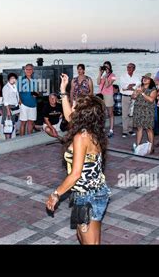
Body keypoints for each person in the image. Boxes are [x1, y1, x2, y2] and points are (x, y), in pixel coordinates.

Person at [46, 73, 110, 245]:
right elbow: (69, 117)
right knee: (82, 238)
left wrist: (56, 194)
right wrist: (63, 91)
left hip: (90, 196)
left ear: (82, 114)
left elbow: (75, 174)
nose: (72, 106)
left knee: (89, 242)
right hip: (89, 193)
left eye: (75, 105)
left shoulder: (81, 137)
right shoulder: (90, 129)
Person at [132, 73, 157, 153]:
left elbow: (151, 100)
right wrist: (136, 92)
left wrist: (142, 93)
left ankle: (151, 147)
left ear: (151, 81)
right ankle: (138, 146)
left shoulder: (153, 89)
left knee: (149, 129)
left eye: (147, 78)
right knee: (139, 128)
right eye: (144, 78)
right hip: (138, 110)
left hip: (148, 111)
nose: (144, 79)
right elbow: (133, 97)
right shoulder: (139, 87)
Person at [119, 63, 139, 137]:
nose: (129, 68)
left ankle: (130, 130)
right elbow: (123, 86)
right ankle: (125, 131)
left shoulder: (136, 77)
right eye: (128, 67)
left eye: (130, 67)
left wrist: (129, 86)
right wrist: (130, 86)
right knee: (125, 114)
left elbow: (138, 86)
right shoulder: (123, 76)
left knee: (132, 114)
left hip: (133, 97)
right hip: (125, 96)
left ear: (134, 69)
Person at [18, 63, 39, 136]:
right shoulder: (21, 80)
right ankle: (21, 140)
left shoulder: (35, 80)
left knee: (31, 122)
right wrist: (20, 102)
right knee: (23, 122)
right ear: (24, 70)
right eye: (27, 69)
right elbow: (17, 92)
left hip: (33, 104)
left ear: (33, 70)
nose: (28, 71)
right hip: (24, 104)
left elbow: (37, 92)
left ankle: (29, 139)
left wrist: (36, 94)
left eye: (30, 69)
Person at [97, 61, 116, 137]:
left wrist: (106, 77)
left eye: (107, 67)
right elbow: (98, 82)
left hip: (108, 95)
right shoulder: (102, 74)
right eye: (104, 66)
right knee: (102, 113)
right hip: (101, 94)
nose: (106, 68)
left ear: (110, 67)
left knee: (110, 113)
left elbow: (108, 85)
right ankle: (102, 129)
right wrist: (100, 73)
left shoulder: (113, 75)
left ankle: (111, 130)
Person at [2, 73, 20, 139]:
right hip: (8, 108)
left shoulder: (14, 86)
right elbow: (5, 100)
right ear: (8, 79)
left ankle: (10, 139)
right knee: (7, 124)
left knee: (12, 124)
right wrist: (8, 111)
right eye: (11, 78)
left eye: (14, 78)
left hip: (14, 107)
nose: (13, 80)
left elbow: (16, 97)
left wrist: (18, 108)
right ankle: (7, 139)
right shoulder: (6, 87)